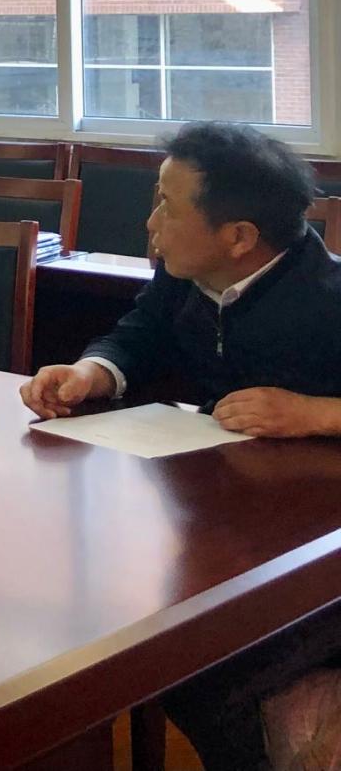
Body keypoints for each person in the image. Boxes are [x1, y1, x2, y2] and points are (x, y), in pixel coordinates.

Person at [20, 121, 341, 769]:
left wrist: (316, 412)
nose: (150, 223)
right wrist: (91, 372)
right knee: (168, 647)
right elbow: (139, 333)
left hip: (319, 551)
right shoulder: (187, 275)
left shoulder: (327, 296)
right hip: (234, 524)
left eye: (167, 206)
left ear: (239, 237)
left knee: (205, 665)